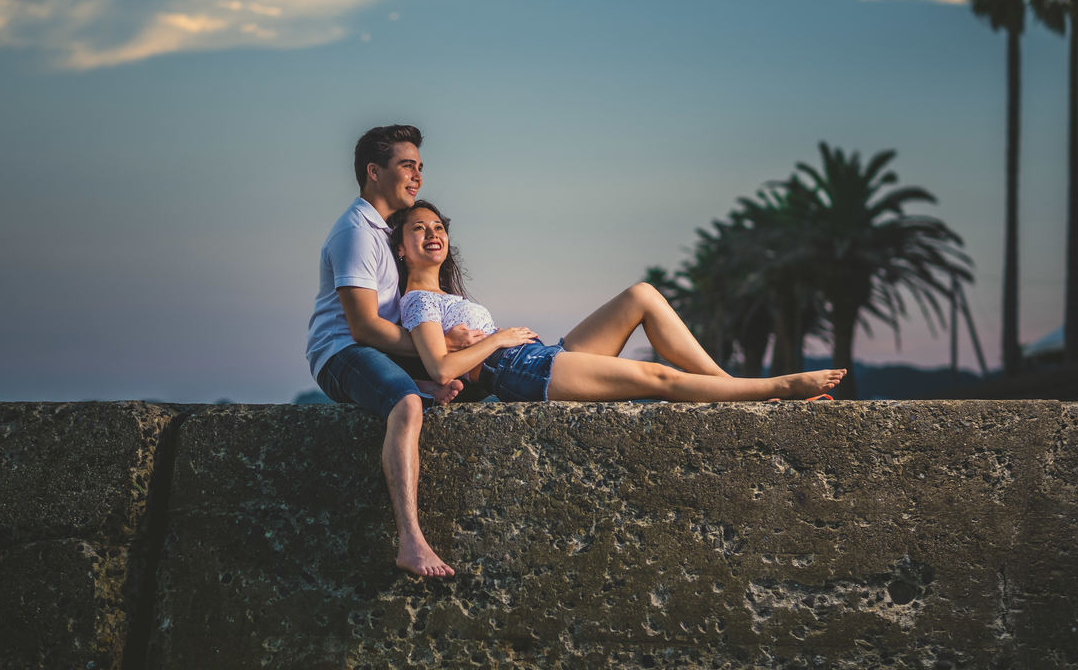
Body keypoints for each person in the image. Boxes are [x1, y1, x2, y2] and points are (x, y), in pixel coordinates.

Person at [389, 200, 846, 405]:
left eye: (438, 227)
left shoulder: (443, 297)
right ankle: (779, 389)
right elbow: (442, 371)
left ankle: (730, 388)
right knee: (658, 377)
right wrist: (499, 339)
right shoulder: (417, 302)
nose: (433, 234)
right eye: (419, 229)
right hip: (520, 372)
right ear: (401, 249)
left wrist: (490, 341)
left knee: (642, 296)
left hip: (539, 357)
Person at [307, 126, 481, 579]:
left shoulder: (386, 232)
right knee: (406, 404)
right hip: (342, 353)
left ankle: (421, 385)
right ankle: (411, 541)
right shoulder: (356, 233)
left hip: (377, 349)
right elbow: (363, 326)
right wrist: (436, 351)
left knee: (470, 379)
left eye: (420, 167)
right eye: (407, 166)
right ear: (373, 172)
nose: (417, 176)